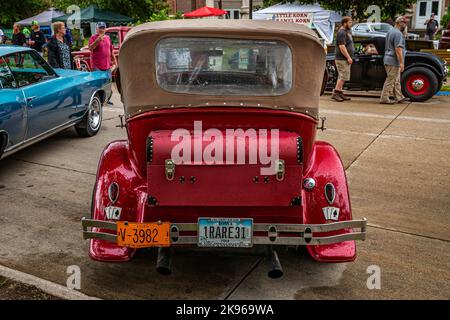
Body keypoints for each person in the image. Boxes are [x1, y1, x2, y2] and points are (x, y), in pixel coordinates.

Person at [380, 16, 408, 104]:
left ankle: (399, 97)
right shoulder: (398, 34)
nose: (405, 24)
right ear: (399, 22)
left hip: (388, 58)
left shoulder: (390, 31)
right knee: (390, 80)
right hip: (393, 60)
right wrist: (401, 62)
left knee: (396, 80)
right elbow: (398, 49)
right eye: (404, 22)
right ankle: (384, 98)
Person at [331, 16, 354, 102]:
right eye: (350, 22)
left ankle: (340, 92)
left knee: (342, 76)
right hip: (342, 59)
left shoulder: (347, 31)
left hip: (345, 59)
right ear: (345, 23)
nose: (351, 24)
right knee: (343, 76)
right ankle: (336, 93)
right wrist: (348, 57)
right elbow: (342, 46)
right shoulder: (341, 32)